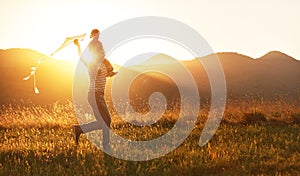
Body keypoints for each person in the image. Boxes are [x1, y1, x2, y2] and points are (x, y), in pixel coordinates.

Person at [72, 29, 116, 150]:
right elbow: (82, 58)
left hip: (98, 95)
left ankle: (78, 129)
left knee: (102, 122)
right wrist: (78, 46)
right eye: (100, 50)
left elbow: (105, 74)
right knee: (107, 120)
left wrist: (112, 73)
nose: (102, 51)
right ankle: (106, 146)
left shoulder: (103, 64)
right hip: (94, 95)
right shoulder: (93, 64)